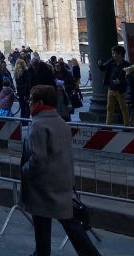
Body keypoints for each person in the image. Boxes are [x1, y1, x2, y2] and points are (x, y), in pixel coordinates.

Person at [21, 85, 102, 256]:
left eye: (31, 100)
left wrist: (25, 170)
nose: (28, 103)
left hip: (43, 184)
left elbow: (38, 158)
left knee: (44, 224)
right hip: (62, 179)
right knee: (69, 222)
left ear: (39, 103)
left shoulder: (38, 125)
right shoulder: (61, 122)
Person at [98, 45, 130, 125]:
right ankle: (108, 125)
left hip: (120, 90)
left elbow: (128, 79)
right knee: (109, 108)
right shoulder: (111, 62)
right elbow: (103, 68)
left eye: (114, 53)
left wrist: (120, 82)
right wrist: (100, 65)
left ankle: (127, 124)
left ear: (120, 54)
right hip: (111, 88)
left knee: (123, 108)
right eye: (112, 53)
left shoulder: (126, 65)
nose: (113, 55)